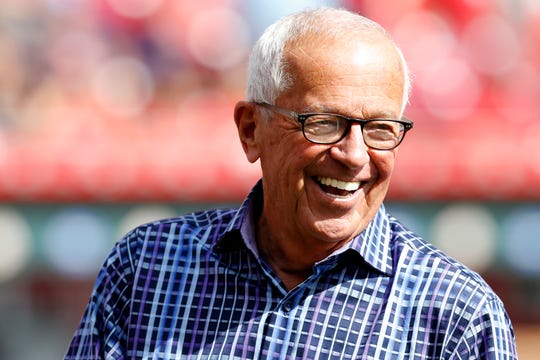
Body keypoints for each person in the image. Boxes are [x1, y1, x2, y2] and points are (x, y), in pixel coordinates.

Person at [65, 7, 517, 359]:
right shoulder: (147, 270)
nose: (354, 155)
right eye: (323, 123)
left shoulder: (457, 315)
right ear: (251, 130)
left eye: (380, 128)